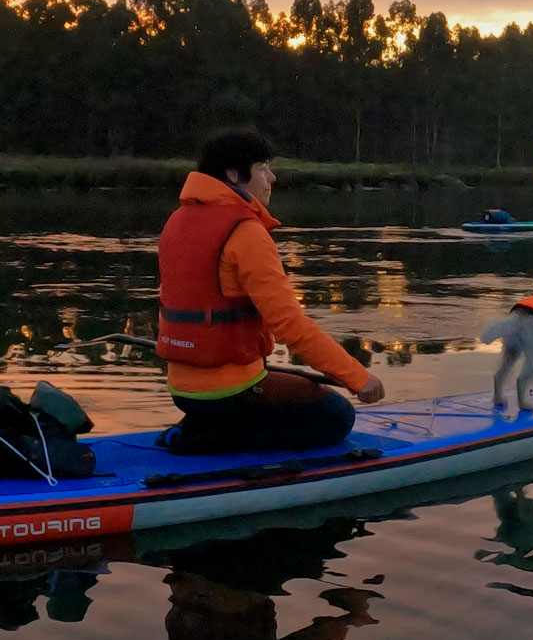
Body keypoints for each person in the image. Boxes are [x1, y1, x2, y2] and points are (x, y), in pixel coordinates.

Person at [156, 128, 385, 454]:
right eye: (263, 167)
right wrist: (358, 378)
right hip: (231, 392)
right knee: (337, 416)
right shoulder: (245, 232)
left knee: (296, 389)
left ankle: (201, 425)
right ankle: (209, 439)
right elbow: (289, 324)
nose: (272, 178)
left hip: (181, 391)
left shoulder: (176, 221)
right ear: (234, 175)